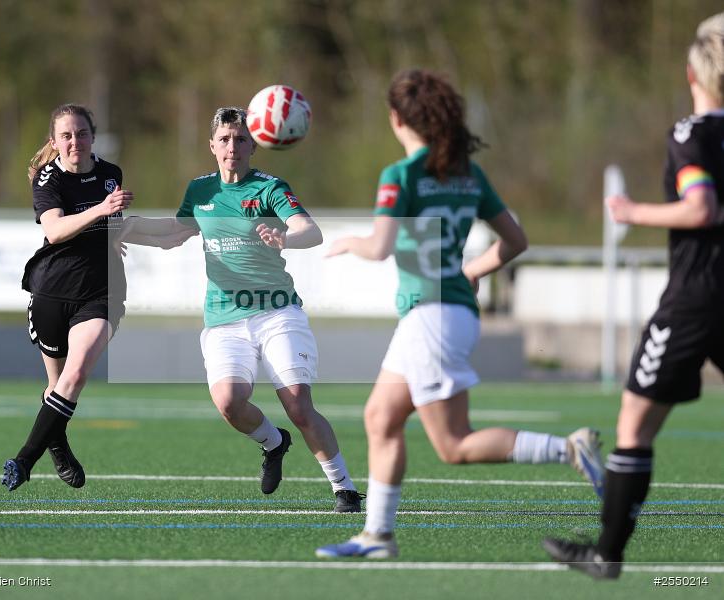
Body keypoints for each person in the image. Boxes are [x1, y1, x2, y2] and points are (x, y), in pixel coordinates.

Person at [314, 69, 605, 559]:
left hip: (431, 316)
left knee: (453, 444)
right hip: (448, 312)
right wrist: (474, 270)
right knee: (381, 418)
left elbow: (381, 247)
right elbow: (516, 241)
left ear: (396, 119)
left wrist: (348, 242)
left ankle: (569, 449)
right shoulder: (468, 174)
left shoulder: (401, 176)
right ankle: (377, 536)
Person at [543, 30, 724, 579]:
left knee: (634, 423)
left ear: (691, 76)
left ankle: (606, 553)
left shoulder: (689, 134)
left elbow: (701, 209)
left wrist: (630, 211)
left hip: (696, 300)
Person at [173, 106, 363, 512]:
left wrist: (284, 236)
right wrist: (118, 225)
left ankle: (343, 487)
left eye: (241, 139)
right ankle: (274, 443)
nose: (232, 147)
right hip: (223, 319)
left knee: (297, 403)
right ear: (212, 146)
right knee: (228, 402)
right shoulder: (199, 191)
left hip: (277, 313)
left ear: (254, 144)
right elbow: (173, 233)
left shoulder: (270, 187)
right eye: (224, 139)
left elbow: (310, 231)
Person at [2, 103, 194, 492]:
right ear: (54, 142)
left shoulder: (110, 174)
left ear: (93, 135)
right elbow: (55, 231)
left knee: (75, 376)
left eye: (82, 133)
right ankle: (56, 443)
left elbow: (116, 226)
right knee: (57, 387)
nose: (75, 142)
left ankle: (23, 460)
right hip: (53, 290)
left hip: (100, 292)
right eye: (67, 136)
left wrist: (172, 232)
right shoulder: (46, 178)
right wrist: (101, 211)